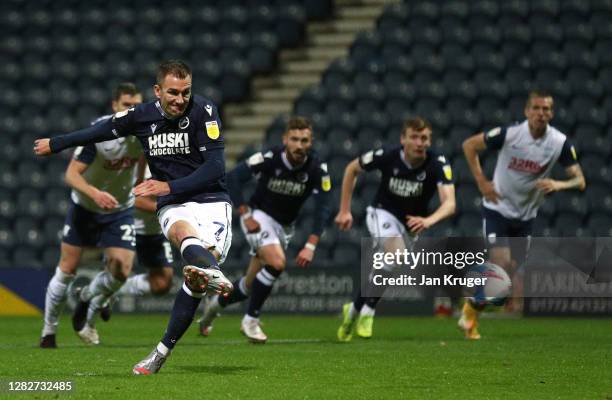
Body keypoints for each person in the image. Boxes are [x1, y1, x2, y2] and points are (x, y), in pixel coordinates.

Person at [34, 60, 233, 375]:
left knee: (194, 278)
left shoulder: (204, 111)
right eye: (173, 93)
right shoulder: (142, 116)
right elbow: (98, 130)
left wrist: (168, 184)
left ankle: (161, 351)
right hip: (172, 203)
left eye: (185, 92)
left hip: (211, 201)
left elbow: (215, 168)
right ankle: (213, 271)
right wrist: (57, 143)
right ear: (157, 91)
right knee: (183, 238)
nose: (180, 99)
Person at [461, 90, 586, 339]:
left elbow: (580, 180)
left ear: (552, 112)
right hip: (497, 209)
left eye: (546, 109)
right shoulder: (510, 135)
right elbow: (469, 145)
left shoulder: (559, 143)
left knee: (505, 279)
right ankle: (471, 309)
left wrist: (559, 184)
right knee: (502, 263)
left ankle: (471, 308)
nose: (541, 113)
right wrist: (482, 182)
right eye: (537, 108)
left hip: (526, 217)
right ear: (527, 111)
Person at [199, 116, 332, 343]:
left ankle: (213, 308)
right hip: (259, 218)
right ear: (285, 140)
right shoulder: (270, 158)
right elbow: (233, 177)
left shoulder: (317, 168)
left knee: (249, 285)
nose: (299, 145)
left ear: (311, 142)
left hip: (284, 227)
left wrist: (311, 245)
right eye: (295, 139)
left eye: (305, 140)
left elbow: (323, 208)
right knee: (277, 263)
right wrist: (245, 213)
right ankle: (251, 320)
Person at [38, 82, 143, 348]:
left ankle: (87, 297)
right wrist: (94, 193)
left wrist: (139, 187)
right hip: (85, 207)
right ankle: (48, 332)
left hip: (119, 209)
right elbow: (71, 175)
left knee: (122, 269)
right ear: (115, 106)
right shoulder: (100, 133)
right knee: (68, 269)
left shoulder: (144, 132)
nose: (132, 111)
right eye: (126, 106)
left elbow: (141, 162)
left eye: (136, 106)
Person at [335, 117, 456, 342]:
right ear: (403, 139)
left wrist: (429, 220)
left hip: (411, 223)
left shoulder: (437, 162)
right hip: (382, 212)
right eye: (415, 137)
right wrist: (344, 210)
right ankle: (368, 312)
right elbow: (352, 168)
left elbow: (450, 203)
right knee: (396, 256)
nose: (420, 142)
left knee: (387, 265)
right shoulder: (388, 155)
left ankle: (352, 311)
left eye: (425, 138)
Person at [96, 163, 175, 322]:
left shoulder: (172, 161)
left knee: (162, 284)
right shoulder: (140, 165)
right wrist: (161, 207)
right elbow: (131, 198)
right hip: (129, 226)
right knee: (117, 272)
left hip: (154, 232)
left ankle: (112, 292)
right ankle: (93, 302)